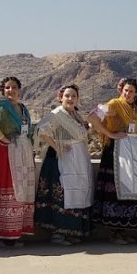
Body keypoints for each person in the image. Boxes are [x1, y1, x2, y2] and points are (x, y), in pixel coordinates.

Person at [91, 78, 137, 243]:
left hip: (134, 152)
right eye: (125, 90)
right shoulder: (114, 104)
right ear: (121, 90)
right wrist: (110, 134)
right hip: (117, 152)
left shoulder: (136, 108)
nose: (128, 94)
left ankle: (123, 230)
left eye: (131, 91)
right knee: (117, 189)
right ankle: (114, 232)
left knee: (130, 189)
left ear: (136, 93)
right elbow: (93, 117)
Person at [35, 84, 94, 245]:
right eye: (67, 96)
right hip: (61, 160)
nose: (70, 99)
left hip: (78, 159)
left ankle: (72, 231)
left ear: (77, 99)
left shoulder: (75, 115)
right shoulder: (56, 114)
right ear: (60, 97)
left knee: (77, 193)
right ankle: (58, 233)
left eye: (73, 96)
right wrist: (58, 146)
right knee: (62, 194)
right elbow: (42, 131)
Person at [0, 76, 36, 245]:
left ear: (19, 90)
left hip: (21, 151)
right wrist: (3, 139)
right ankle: (3, 233)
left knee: (20, 189)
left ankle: (16, 230)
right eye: (7, 88)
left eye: (14, 87)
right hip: (6, 153)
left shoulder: (22, 108)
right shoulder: (1, 109)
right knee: (8, 188)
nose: (10, 91)